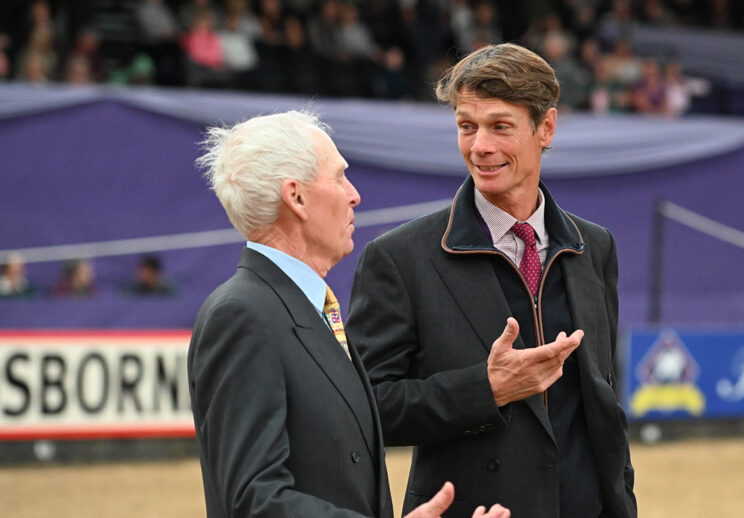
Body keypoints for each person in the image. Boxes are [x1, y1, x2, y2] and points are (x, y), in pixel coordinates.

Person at [348, 43, 637, 518]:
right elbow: (366, 408)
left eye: (500, 126)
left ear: (546, 128)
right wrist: (487, 389)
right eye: (467, 126)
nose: (479, 146)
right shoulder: (400, 258)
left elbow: (603, 405)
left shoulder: (595, 246)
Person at [189, 110, 510, 518]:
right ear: (297, 197)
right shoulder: (242, 315)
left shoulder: (305, 307)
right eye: (339, 176)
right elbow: (253, 500)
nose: (354, 194)